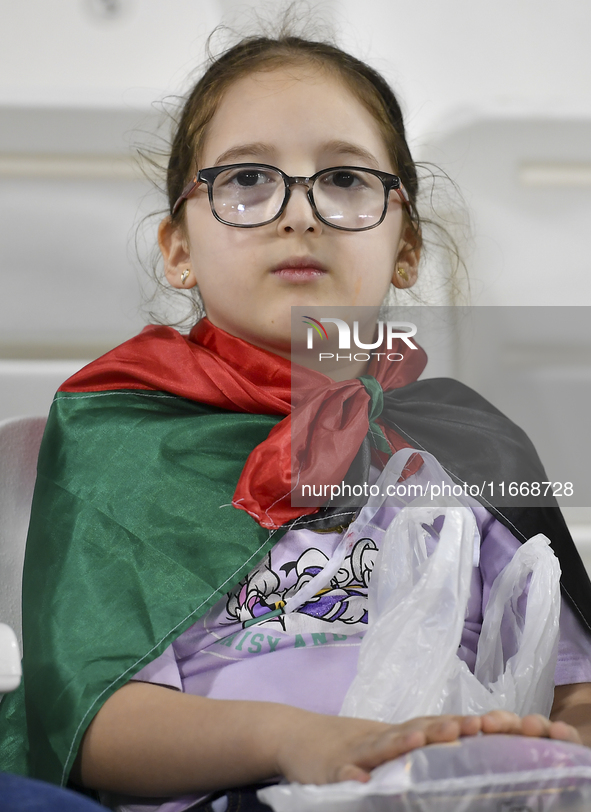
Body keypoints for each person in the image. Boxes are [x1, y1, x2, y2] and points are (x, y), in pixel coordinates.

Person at [2, 28, 591, 812]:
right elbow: (90, 725)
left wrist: (562, 747)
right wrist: (298, 742)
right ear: (178, 249)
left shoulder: (466, 439)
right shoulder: (118, 439)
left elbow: (573, 687)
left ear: (405, 245)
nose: (300, 213)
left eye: (344, 179)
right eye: (247, 179)